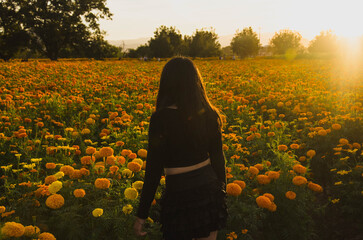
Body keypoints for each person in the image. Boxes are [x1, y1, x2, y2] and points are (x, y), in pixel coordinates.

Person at [133, 57, 228, 240]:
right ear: (195, 82)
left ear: (167, 83)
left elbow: (153, 171)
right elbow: (218, 159)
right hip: (209, 190)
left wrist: (141, 215)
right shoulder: (209, 114)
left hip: (179, 194)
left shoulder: (160, 119)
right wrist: (222, 194)